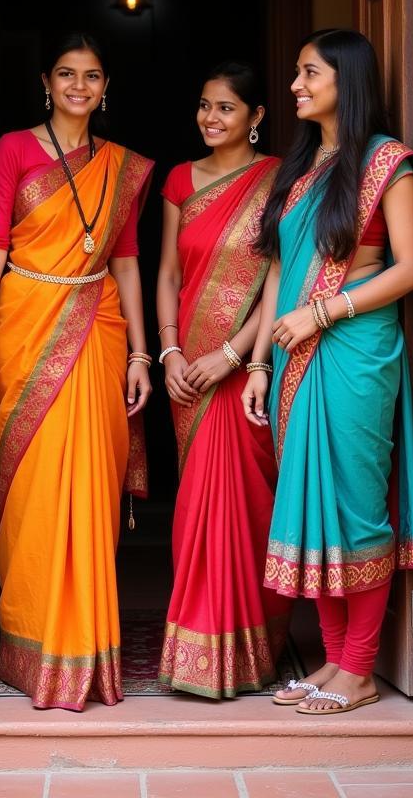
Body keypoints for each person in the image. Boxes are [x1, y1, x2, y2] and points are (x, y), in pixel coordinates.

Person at [0, 32, 154, 711]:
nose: (79, 86)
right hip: (24, 320)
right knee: (33, 483)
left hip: (99, 327)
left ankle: (86, 650)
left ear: (106, 88)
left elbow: (126, 258)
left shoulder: (119, 166)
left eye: (92, 76)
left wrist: (139, 351)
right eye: (67, 74)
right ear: (46, 81)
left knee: (91, 488)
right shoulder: (13, 149)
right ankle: (31, 639)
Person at [242, 28, 413, 715]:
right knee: (314, 506)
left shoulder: (387, 164)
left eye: (309, 72)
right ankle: (332, 661)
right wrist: (259, 361)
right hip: (291, 357)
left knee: (354, 504)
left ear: (345, 82)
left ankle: (360, 669)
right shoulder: (303, 168)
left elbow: (410, 267)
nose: (295, 84)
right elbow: (281, 272)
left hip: (353, 353)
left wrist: (325, 313)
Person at [156, 63, 290, 699]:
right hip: (187, 367)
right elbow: (166, 275)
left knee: (244, 504)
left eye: (227, 109)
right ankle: (196, 655)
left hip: (246, 367)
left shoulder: (281, 179)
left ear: (256, 117)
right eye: (205, 106)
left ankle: (250, 651)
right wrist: (171, 351)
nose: (211, 119)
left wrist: (235, 357)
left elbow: (279, 281)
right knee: (194, 510)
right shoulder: (181, 179)